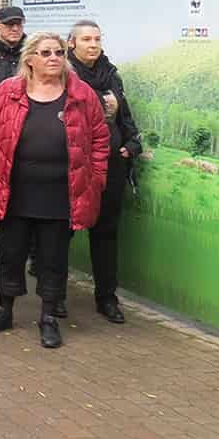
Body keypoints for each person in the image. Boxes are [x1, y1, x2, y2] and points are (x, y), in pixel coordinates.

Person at [0, 33, 109, 349]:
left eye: (59, 52)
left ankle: (48, 316)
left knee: (53, 258)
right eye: (46, 52)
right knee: (11, 254)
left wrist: (96, 179)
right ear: (30, 59)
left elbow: (101, 141)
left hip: (62, 193)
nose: (54, 58)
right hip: (15, 190)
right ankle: (4, 309)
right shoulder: (8, 92)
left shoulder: (82, 95)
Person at [68, 20, 142, 324]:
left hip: (111, 163)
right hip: (74, 164)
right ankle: (54, 295)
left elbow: (123, 114)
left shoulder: (111, 74)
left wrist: (131, 144)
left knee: (107, 231)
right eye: (86, 39)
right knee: (62, 231)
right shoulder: (63, 74)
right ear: (71, 43)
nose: (93, 44)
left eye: (97, 39)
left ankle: (106, 297)